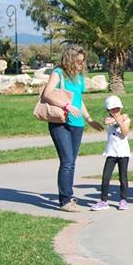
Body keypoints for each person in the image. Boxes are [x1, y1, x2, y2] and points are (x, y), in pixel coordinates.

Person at [41, 45, 104, 212]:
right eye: (78, 61)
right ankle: (65, 200)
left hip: (77, 124)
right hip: (60, 122)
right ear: (69, 59)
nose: (81, 65)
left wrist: (89, 119)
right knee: (67, 161)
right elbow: (46, 94)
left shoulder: (78, 77)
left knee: (71, 162)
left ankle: (67, 196)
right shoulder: (58, 73)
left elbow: (79, 100)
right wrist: (66, 105)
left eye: (82, 61)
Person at [92, 95, 131, 211]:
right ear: (108, 110)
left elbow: (124, 133)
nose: (115, 111)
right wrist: (118, 119)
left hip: (123, 153)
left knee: (123, 177)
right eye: (112, 109)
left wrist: (121, 122)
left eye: (117, 108)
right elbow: (106, 121)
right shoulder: (108, 120)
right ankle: (103, 201)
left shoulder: (127, 120)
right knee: (106, 177)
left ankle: (123, 200)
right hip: (111, 152)